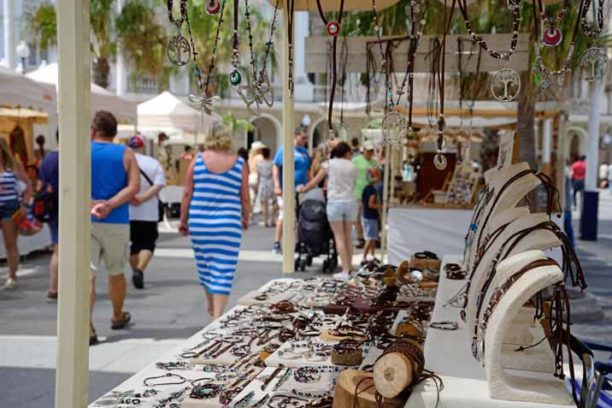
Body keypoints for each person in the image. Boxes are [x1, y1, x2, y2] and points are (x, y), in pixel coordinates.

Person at [179, 125, 250, 319]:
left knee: (205, 266)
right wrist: (246, 217)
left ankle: (212, 308)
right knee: (224, 269)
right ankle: (217, 315)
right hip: (228, 223)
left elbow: (187, 194)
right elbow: (244, 197)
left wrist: (183, 220)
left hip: (199, 222)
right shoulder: (239, 163)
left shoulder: (198, 161)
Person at [89, 111, 140, 345]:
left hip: (85, 219)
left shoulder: (83, 150)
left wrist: (92, 203)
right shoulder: (126, 153)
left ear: (93, 130)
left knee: (86, 275)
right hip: (116, 220)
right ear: (115, 131)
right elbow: (134, 187)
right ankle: (117, 315)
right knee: (116, 271)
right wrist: (109, 204)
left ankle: (87, 326)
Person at [299, 142, 357, 280]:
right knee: (348, 237)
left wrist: (303, 189)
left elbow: (315, 181)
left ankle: (345, 270)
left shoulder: (328, 164)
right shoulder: (353, 166)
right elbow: (353, 184)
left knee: (339, 237)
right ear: (347, 152)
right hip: (350, 202)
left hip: (335, 202)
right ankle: (349, 268)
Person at [128, 134, 166, 290]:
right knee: (148, 243)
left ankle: (136, 270)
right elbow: (158, 185)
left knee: (133, 245)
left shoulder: (124, 162)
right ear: (143, 146)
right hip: (148, 211)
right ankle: (139, 269)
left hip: (128, 210)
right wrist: (143, 197)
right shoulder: (153, 163)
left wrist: (131, 197)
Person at [272, 128, 311, 254]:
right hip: (286, 189)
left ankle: (298, 242)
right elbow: (276, 167)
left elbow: (307, 170)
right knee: (284, 214)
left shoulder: (305, 151)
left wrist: (310, 184)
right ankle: (277, 242)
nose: (305, 140)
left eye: (306, 138)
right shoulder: (285, 149)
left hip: (301, 189)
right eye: (303, 138)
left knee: (299, 217)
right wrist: (277, 185)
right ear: (296, 136)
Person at [0, 138, 31, 290]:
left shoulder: (13, 166)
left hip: (10, 207)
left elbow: (28, 186)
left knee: (10, 243)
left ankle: (12, 275)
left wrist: (24, 204)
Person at [38, 135, 59, 301]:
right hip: (63, 206)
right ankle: (54, 287)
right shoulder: (68, 158)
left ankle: (54, 286)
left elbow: (40, 187)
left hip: (50, 208)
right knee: (60, 250)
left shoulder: (46, 160)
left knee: (57, 247)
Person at [352, 140, 377, 249]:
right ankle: (360, 236)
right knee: (357, 217)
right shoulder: (356, 160)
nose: (370, 153)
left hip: (369, 192)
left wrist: (373, 179)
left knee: (367, 217)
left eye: (372, 151)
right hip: (357, 192)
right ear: (364, 150)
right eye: (368, 151)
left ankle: (368, 236)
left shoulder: (374, 162)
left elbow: (377, 176)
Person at [361, 168, 382, 263]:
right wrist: (381, 206)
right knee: (369, 239)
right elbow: (371, 204)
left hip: (366, 215)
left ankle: (372, 256)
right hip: (370, 217)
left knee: (372, 238)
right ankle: (364, 257)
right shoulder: (372, 190)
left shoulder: (366, 188)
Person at [257, 147, 275, 227]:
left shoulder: (259, 163)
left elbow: (258, 175)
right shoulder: (272, 163)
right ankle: (272, 218)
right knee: (274, 201)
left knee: (264, 202)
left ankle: (265, 220)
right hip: (271, 181)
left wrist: (258, 184)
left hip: (263, 182)